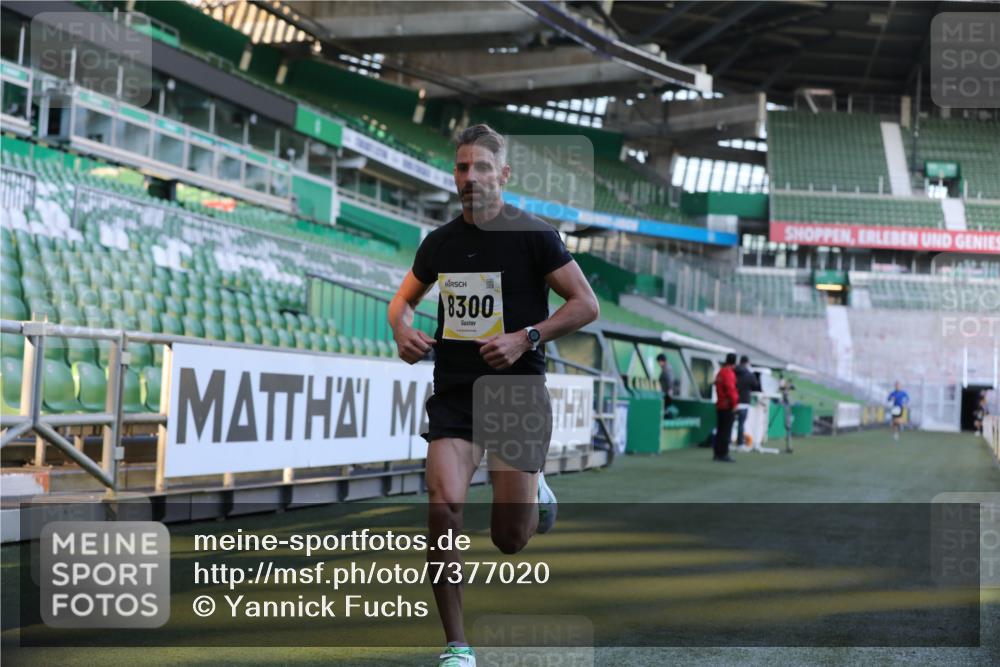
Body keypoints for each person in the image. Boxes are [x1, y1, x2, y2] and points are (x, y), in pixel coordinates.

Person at [388, 123, 600, 667]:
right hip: (455, 394)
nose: (471, 177)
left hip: (515, 396)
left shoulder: (534, 235)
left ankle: (535, 489)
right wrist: (401, 328)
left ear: (503, 175)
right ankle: (457, 646)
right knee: (443, 509)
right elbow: (402, 301)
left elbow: (585, 305)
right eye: (463, 167)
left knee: (510, 539)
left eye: (482, 168)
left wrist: (526, 337)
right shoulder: (439, 242)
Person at [713, 353, 739, 462]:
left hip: (720, 405)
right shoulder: (729, 373)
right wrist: (734, 404)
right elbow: (731, 390)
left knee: (720, 430)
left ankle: (717, 453)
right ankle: (723, 454)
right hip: (727, 406)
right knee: (726, 431)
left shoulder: (720, 372)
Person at [733, 355, 760, 448]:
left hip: (732, 401)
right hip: (744, 402)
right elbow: (756, 385)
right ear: (747, 363)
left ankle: (727, 442)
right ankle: (740, 443)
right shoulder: (749, 374)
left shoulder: (733, 371)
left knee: (729, 423)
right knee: (741, 424)